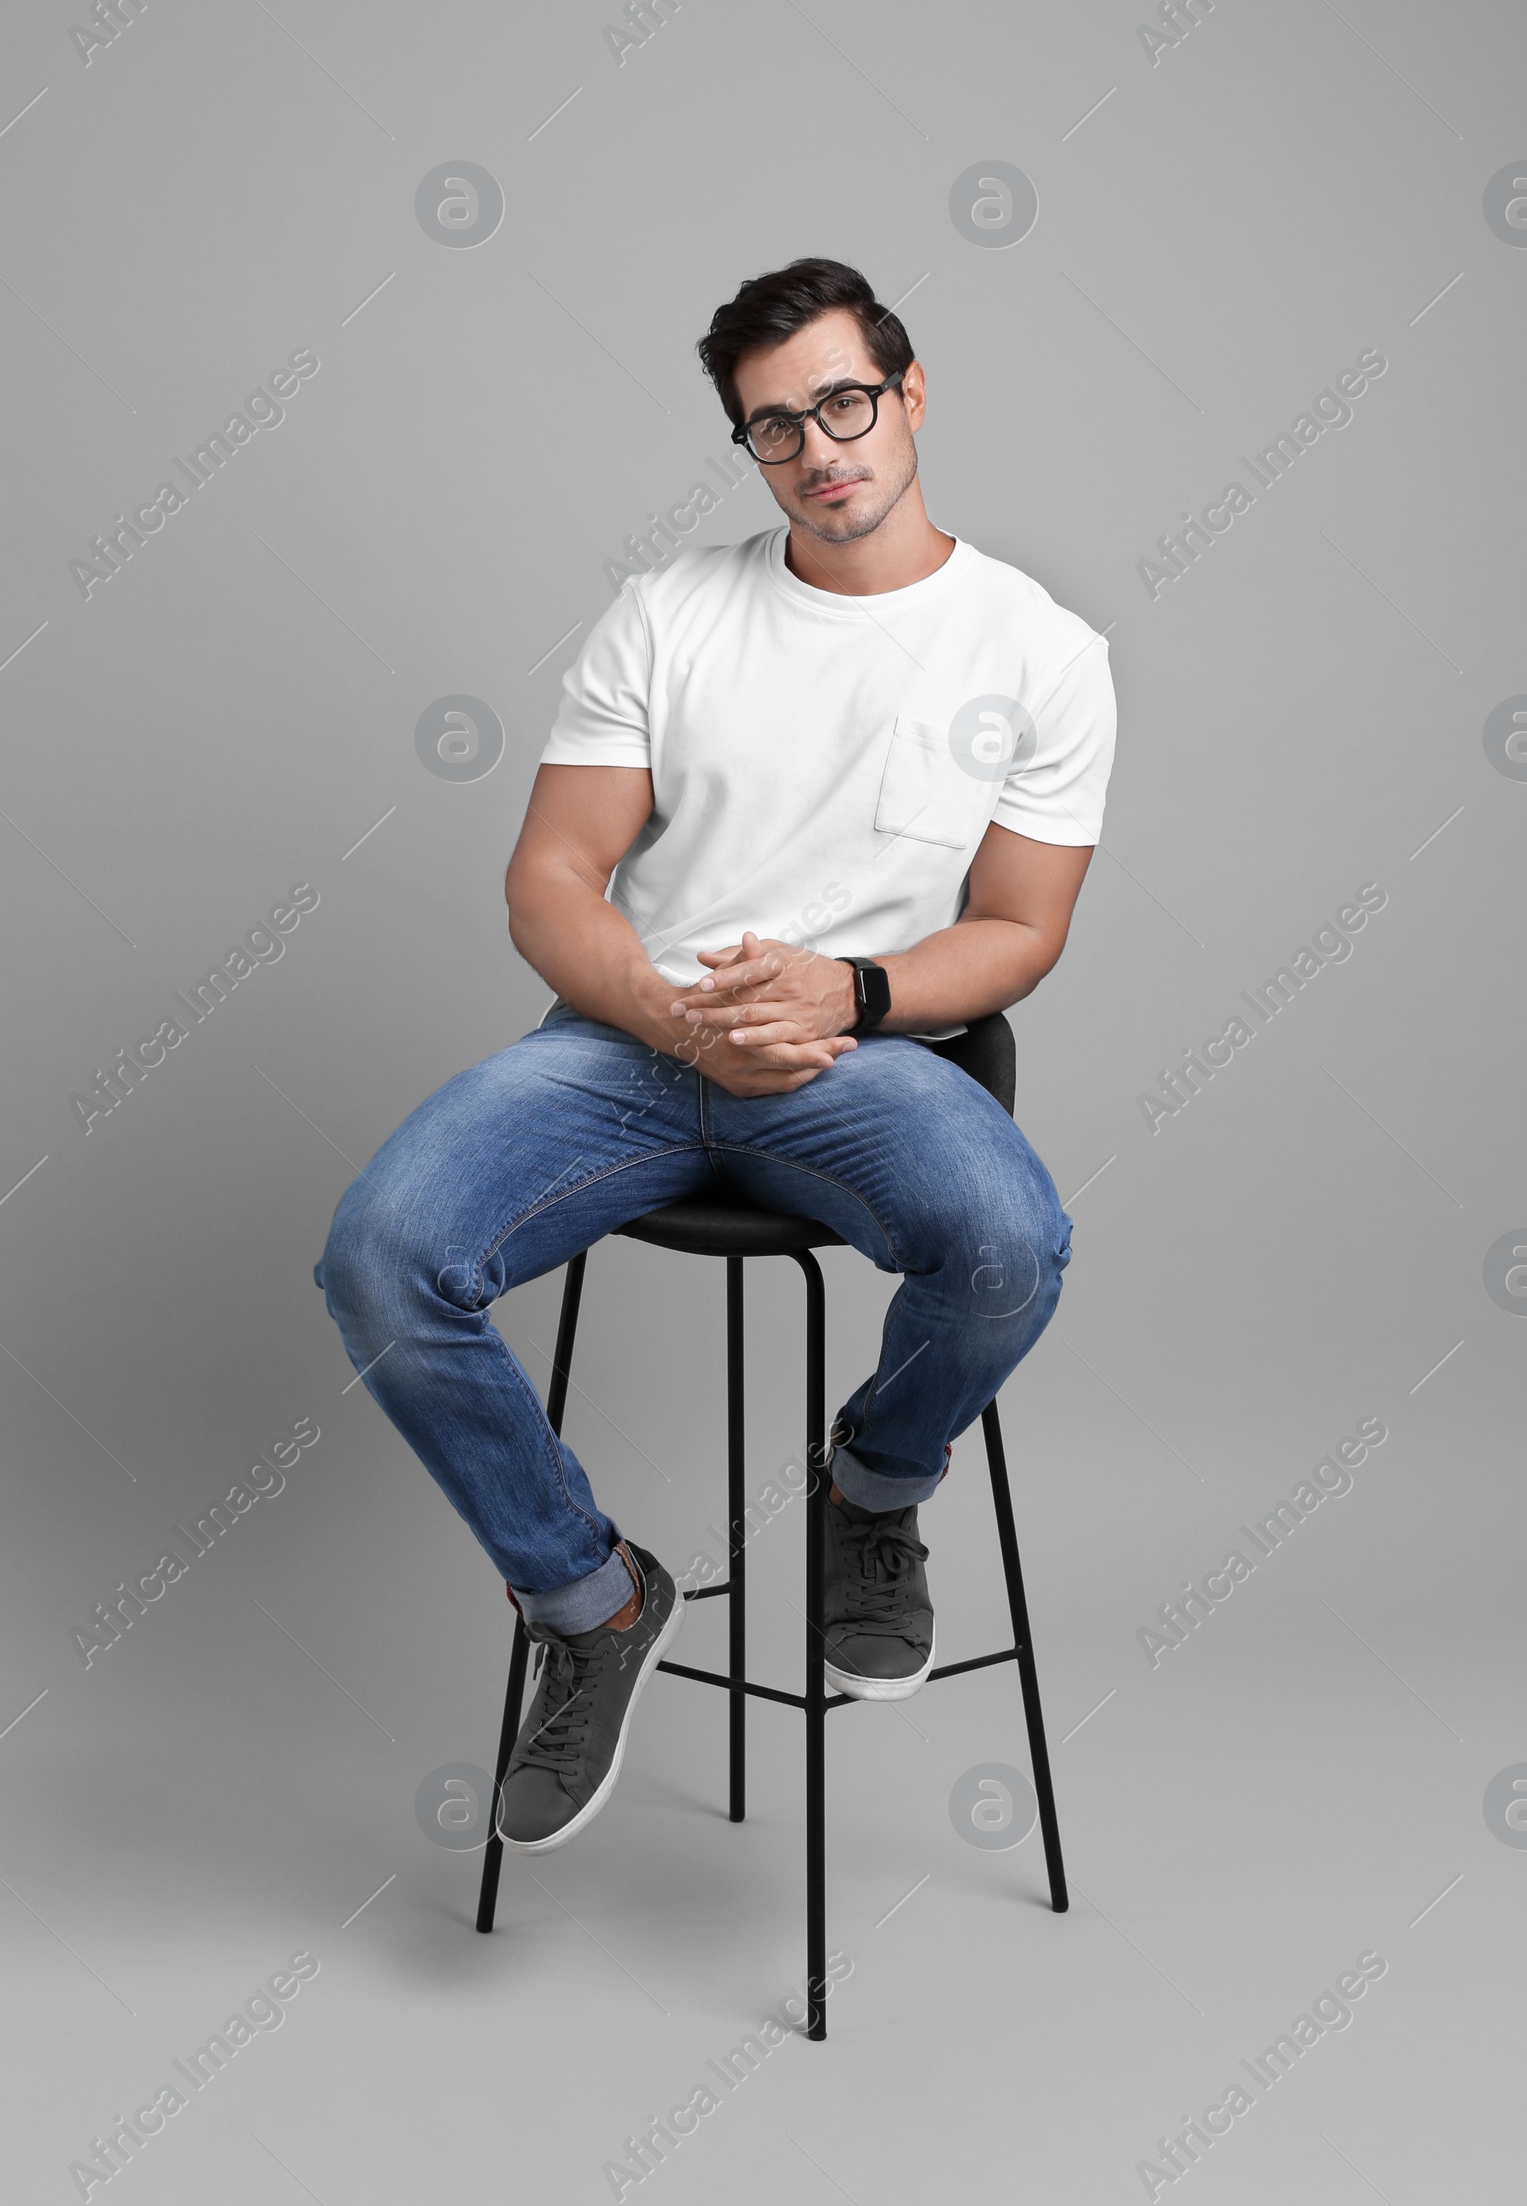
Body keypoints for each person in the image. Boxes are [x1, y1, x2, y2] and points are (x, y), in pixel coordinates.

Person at [314, 257, 1116, 1855]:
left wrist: (851, 993)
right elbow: (549, 881)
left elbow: (1021, 929)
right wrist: (679, 1018)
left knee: (1014, 1246)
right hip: (632, 1042)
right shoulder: (670, 612)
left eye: (843, 403)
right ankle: (590, 1596)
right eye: (774, 428)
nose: (820, 449)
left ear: (909, 394)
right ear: (747, 449)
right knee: (379, 1254)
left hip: (866, 1055)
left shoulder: (1040, 649)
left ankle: (871, 1494)